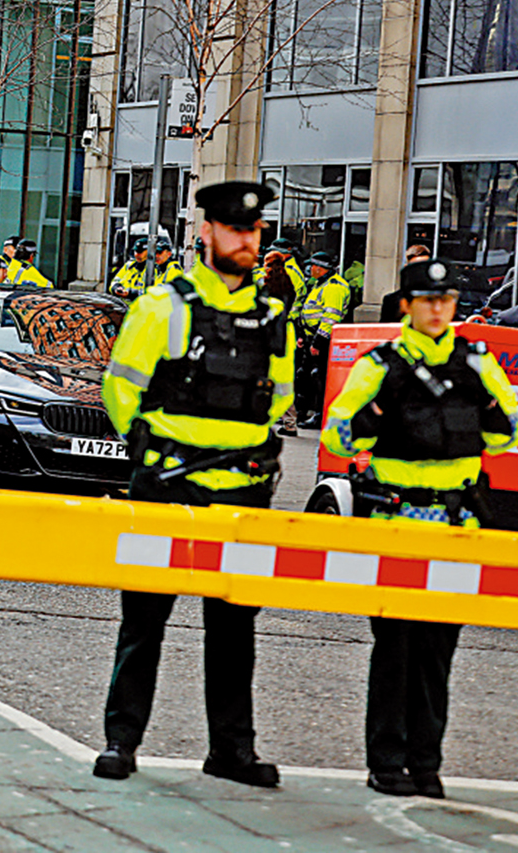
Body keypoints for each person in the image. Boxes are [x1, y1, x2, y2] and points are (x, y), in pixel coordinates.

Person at [95, 180, 292, 789]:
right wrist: (155, 454)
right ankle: (121, 743)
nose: (246, 240)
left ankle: (232, 752)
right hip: (168, 487)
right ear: (206, 233)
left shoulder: (272, 317)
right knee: (144, 619)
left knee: (235, 626)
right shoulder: (164, 306)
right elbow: (119, 389)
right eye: (234, 229)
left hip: (241, 495)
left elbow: (279, 400)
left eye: (254, 231)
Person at [322, 258, 518, 799]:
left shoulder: (475, 362)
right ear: (407, 306)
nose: (438, 310)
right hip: (397, 520)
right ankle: (386, 761)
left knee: (438, 650)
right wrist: (371, 423)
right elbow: (338, 433)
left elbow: (511, 428)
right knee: (395, 647)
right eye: (428, 301)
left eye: (447, 301)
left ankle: (425, 763)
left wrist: (485, 424)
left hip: (455, 524)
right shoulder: (380, 364)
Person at [295, 251, 353, 427]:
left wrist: (319, 342)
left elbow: (330, 317)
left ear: (320, 268)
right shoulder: (320, 284)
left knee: (319, 377)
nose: (309, 269)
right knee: (305, 376)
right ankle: (301, 413)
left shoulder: (334, 287)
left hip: (325, 340)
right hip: (311, 337)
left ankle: (320, 416)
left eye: (312, 265)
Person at [260, 252, 301, 437]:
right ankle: (290, 422)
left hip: (265, 331)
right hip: (285, 331)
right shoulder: (288, 282)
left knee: (263, 376)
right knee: (285, 381)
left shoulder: (264, 283)